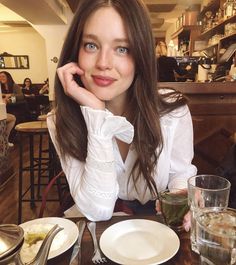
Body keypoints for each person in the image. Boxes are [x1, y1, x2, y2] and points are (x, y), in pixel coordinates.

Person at [47, 0, 197, 227]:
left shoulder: (171, 111)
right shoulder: (61, 119)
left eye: (122, 49)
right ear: (75, 50)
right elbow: (97, 209)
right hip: (95, 229)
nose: (103, 63)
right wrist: (96, 115)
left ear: (141, 56)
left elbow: (180, 173)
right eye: (91, 45)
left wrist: (181, 195)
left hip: (155, 226)